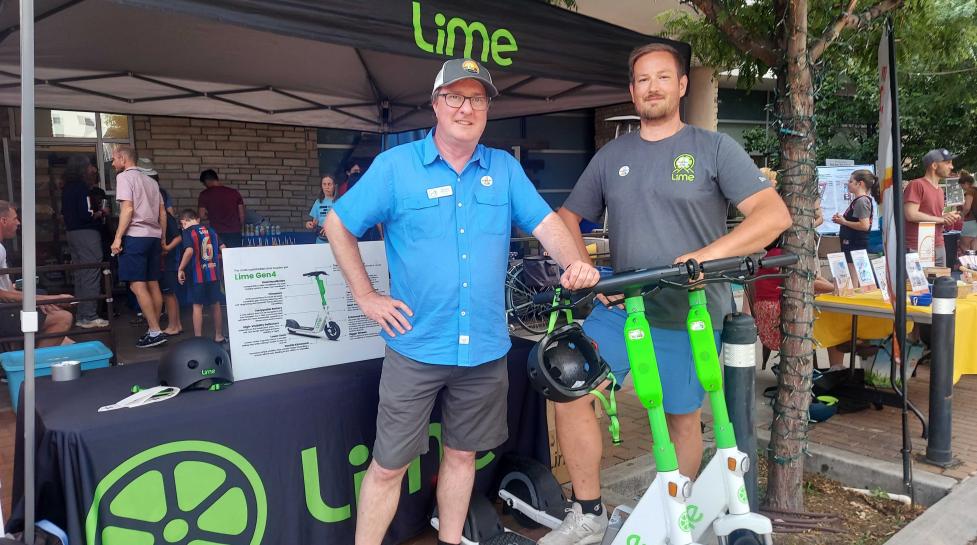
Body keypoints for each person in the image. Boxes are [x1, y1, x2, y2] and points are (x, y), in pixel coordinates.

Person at [325, 58, 600, 545]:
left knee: (461, 456)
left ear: (487, 109)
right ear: (436, 104)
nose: (466, 107)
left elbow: (547, 223)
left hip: (484, 350)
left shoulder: (503, 168)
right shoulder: (396, 167)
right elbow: (338, 223)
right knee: (388, 467)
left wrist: (572, 262)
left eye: (477, 98)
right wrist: (365, 295)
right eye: (454, 96)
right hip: (415, 347)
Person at [547, 43, 792, 545]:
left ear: (682, 85)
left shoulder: (715, 148)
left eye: (663, 77)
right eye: (642, 79)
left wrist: (706, 254)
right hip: (621, 305)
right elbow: (568, 217)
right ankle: (588, 514)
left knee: (682, 417)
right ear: (632, 90)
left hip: (689, 310)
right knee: (568, 387)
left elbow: (773, 216)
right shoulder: (612, 155)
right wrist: (586, 272)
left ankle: (668, 519)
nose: (652, 86)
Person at [111, 145, 168, 348]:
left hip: (135, 236)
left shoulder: (124, 178)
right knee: (152, 283)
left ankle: (154, 331)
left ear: (123, 159)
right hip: (153, 237)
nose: (112, 163)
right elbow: (162, 213)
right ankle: (156, 328)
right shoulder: (152, 182)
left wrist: (118, 238)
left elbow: (127, 208)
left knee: (137, 284)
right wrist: (161, 238)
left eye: (114, 159)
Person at [0, 201, 74, 347]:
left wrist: (43, 300)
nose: (18, 223)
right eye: (15, 218)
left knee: (42, 297)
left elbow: (7, 290)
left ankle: (61, 344)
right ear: (3, 221)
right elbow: (2, 294)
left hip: (5, 308)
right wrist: (49, 299)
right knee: (63, 318)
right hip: (3, 314)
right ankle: (34, 367)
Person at [60, 155, 108, 328]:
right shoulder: (82, 188)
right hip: (87, 234)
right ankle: (89, 315)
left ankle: (82, 314)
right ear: (83, 168)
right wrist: (100, 213)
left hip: (72, 233)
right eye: (89, 166)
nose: (92, 169)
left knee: (81, 274)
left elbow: (64, 213)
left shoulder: (67, 187)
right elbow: (86, 214)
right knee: (90, 273)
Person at [177, 209, 226, 343]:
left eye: (182, 224)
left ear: (184, 221)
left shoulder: (187, 231)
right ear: (196, 218)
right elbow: (224, 248)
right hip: (213, 274)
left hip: (197, 275)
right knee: (215, 304)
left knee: (197, 306)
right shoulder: (211, 230)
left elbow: (189, 250)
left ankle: (198, 339)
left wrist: (180, 268)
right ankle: (219, 336)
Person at [904, 148, 960, 267]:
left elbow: (935, 216)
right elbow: (910, 214)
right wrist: (941, 219)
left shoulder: (940, 190)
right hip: (917, 246)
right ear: (934, 165)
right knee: (920, 285)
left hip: (938, 244)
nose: (952, 167)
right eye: (947, 163)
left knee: (942, 284)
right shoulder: (916, 184)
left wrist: (947, 217)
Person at [832, 169, 875, 264]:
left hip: (855, 244)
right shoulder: (859, 200)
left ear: (860, 183)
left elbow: (864, 225)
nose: (848, 184)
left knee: (854, 274)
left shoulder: (862, 201)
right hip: (852, 244)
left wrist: (844, 222)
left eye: (851, 181)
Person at [197, 169, 245, 248]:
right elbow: (242, 215)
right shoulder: (234, 192)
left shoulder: (204, 194)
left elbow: (201, 215)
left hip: (216, 232)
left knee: (218, 258)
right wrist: (239, 226)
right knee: (235, 257)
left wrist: (211, 216)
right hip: (234, 232)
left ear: (207, 181)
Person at [305, 175, 336, 243]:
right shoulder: (318, 202)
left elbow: (344, 223)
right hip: (321, 240)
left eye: (329, 184)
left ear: (334, 185)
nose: (326, 187)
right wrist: (310, 224)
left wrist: (330, 228)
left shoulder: (339, 202)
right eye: (324, 184)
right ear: (321, 186)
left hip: (336, 240)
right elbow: (315, 222)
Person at [958, 170, 977, 255]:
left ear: (966, 183)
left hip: (970, 222)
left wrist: (961, 215)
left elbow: (967, 207)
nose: (961, 187)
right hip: (975, 223)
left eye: (961, 185)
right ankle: (973, 267)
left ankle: (965, 267)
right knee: (974, 249)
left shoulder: (969, 191)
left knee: (964, 247)